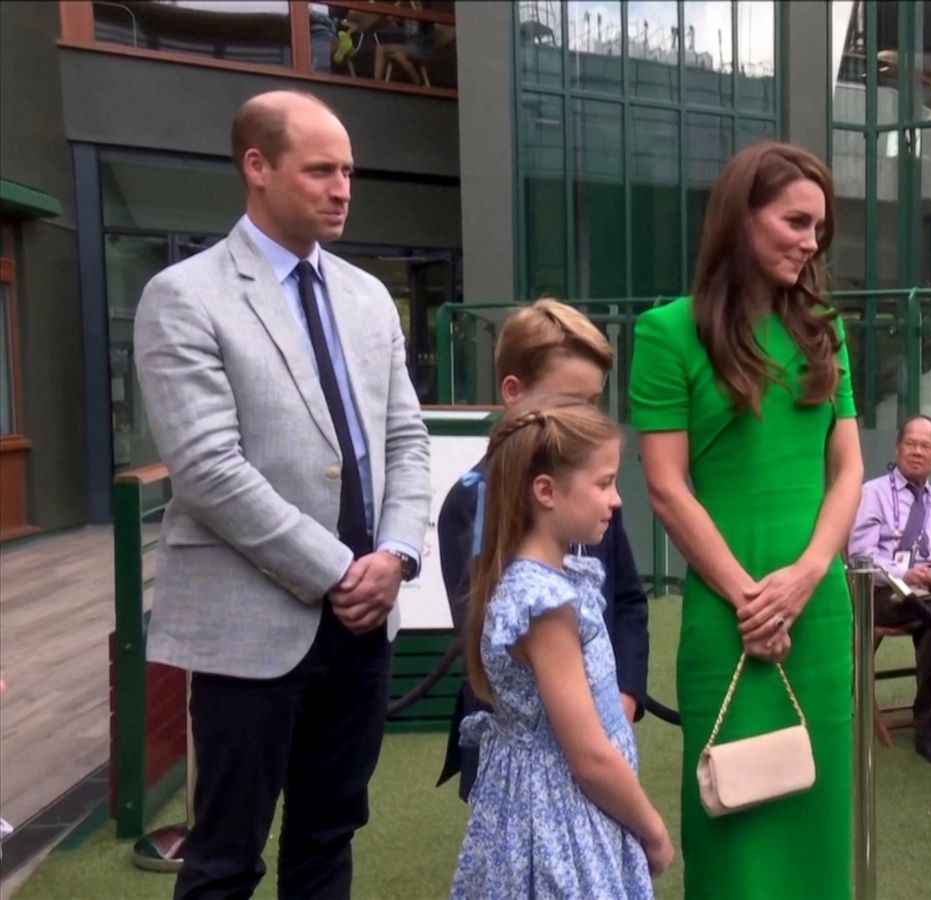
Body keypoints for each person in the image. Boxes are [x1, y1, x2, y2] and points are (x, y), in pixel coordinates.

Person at [132, 90, 431, 898]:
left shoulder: (369, 297)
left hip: (365, 625)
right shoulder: (185, 296)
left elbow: (405, 440)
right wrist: (342, 571)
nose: (342, 188)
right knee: (225, 858)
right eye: (321, 170)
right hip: (252, 626)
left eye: (349, 171)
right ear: (256, 168)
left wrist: (397, 557)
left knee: (328, 840)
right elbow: (208, 469)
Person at [630, 141, 864, 898]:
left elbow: (848, 470)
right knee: (732, 826)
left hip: (819, 616)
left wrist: (804, 577)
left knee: (819, 822)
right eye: (795, 221)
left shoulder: (825, 328)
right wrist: (751, 600)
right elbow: (666, 488)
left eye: (819, 229)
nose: (810, 241)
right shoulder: (668, 333)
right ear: (741, 215)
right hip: (727, 617)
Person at [451, 402, 672, 897]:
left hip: (548, 807)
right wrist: (652, 831)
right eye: (603, 483)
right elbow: (589, 757)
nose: (615, 500)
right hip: (562, 819)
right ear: (546, 492)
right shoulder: (545, 606)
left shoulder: (547, 580)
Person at [436, 299, 650, 801]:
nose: (586, 419)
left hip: (601, 741)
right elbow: (493, 648)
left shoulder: (593, 497)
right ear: (514, 393)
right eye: (569, 402)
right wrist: (586, 729)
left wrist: (623, 701)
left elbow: (627, 602)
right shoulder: (473, 504)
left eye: (594, 402)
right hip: (526, 766)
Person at [848, 414, 931, 765]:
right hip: (884, 594)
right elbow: (861, 557)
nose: (918, 452)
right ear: (898, 448)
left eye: (926, 446)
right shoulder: (871, 495)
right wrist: (908, 573)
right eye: (911, 444)